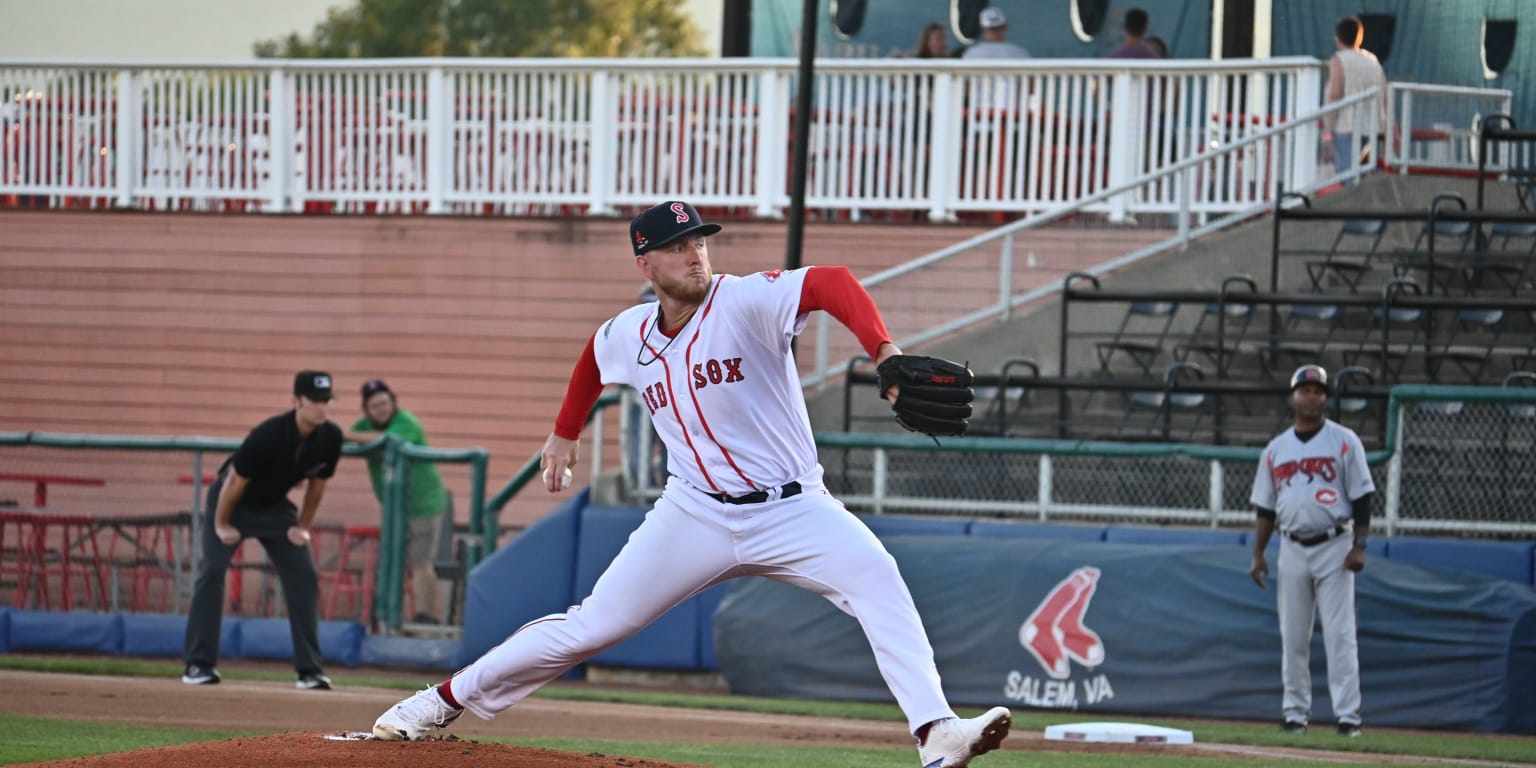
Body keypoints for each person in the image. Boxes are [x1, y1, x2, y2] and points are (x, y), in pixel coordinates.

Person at [372, 201, 1013, 767]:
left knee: (878, 578)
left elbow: (831, 282)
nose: (694, 253)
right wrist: (565, 431)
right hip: (694, 514)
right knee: (591, 626)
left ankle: (936, 733)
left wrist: (884, 353)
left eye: (700, 241)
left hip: (793, 508)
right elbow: (595, 357)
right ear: (645, 264)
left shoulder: (744, 301)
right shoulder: (632, 331)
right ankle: (439, 701)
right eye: (677, 246)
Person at [182, 370, 344, 690]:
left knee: (303, 573)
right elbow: (234, 481)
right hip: (232, 501)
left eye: (326, 401)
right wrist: (222, 524)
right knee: (212, 570)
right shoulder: (269, 434)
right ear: (296, 401)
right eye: (314, 401)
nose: (321, 408)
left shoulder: (330, 437)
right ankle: (199, 665)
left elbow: (318, 485)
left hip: (274, 507)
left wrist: (303, 527)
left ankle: (310, 670)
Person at [1249, 364, 1374, 737]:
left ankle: (1348, 717)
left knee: (1340, 634)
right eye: (1305, 390)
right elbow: (1266, 508)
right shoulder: (1276, 449)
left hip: (1335, 543)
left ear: (1325, 398)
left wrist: (1360, 544)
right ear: (1293, 397)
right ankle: (1295, 714)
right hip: (1291, 546)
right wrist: (1258, 553)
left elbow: (1363, 495)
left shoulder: (1344, 440)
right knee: (1293, 635)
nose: (1312, 396)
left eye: (1318, 391)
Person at [344, 378, 451, 625]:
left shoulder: (406, 422)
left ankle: (428, 619)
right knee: (391, 561)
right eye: (375, 406)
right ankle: (383, 616)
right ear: (367, 409)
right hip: (394, 509)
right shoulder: (363, 426)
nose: (381, 409)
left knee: (421, 562)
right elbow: (346, 438)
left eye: (385, 403)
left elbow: (387, 440)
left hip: (424, 504)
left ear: (393, 402)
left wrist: (349, 435)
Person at [1324, 16, 1387, 181]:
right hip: (1372, 130)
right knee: (1365, 177)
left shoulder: (1339, 60)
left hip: (1347, 128)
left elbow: (1335, 93)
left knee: (1348, 178)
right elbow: (1385, 96)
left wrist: (1328, 130)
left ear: (1338, 38)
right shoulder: (1373, 61)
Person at [962, 7, 1030, 60]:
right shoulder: (1021, 54)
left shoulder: (971, 54)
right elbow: (1031, 77)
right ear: (1005, 27)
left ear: (982, 29)